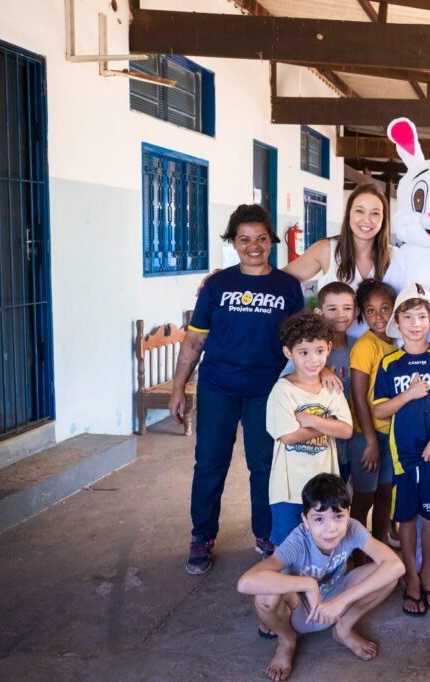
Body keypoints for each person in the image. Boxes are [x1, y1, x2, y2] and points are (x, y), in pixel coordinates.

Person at [170, 204, 305, 575]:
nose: (253, 246)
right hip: (218, 387)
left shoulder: (287, 287)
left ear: (271, 240)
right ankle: (202, 537)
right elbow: (194, 340)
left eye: (261, 238)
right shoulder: (217, 286)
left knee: (264, 465)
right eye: (244, 239)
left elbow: (300, 341)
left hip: (267, 390)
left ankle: (266, 534)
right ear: (233, 242)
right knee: (210, 462)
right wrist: (179, 387)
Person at [237, 474, 405, 681]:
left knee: (388, 576)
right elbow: (246, 582)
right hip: (299, 612)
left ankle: (343, 630)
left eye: (338, 516)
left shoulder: (353, 528)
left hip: (336, 603)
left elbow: (396, 565)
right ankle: (286, 641)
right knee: (265, 596)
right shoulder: (298, 540)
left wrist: (340, 601)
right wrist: (308, 585)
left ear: (348, 513)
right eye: (318, 519)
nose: (330, 529)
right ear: (305, 521)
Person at [371, 283, 430, 615]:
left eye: (422, 316)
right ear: (397, 322)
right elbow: (380, 410)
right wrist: (408, 395)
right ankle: (411, 577)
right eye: (408, 317)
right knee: (407, 517)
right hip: (404, 456)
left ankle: (426, 574)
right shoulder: (390, 364)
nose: (415, 323)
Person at [266, 312, 354, 546]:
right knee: (289, 547)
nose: (313, 359)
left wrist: (309, 420)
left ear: (329, 348)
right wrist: (328, 423)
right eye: (303, 352)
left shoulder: (331, 388)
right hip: (289, 491)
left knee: (325, 545)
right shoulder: (282, 390)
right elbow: (288, 436)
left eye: (319, 350)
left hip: (326, 490)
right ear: (289, 353)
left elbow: (346, 430)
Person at [347, 280, 398, 542]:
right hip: (367, 436)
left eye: (385, 309)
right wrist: (370, 441)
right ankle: (356, 554)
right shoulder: (366, 346)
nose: (379, 317)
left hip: (390, 434)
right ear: (362, 315)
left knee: (385, 495)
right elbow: (358, 396)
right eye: (371, 311)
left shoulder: (397, 342)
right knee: (364, 497)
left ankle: (380, 548)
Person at [283, 183, 393, 295]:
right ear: (349, 214)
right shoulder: (326, 250)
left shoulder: (395, 256)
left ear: (383, 219)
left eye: (375, 213)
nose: (366, 220)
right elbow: (279, 281)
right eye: (360, 211)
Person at [309, 282, 358, 481]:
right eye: (332, 309)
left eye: (347, 308)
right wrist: (322, 370)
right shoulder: (309, 349)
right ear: (318, 313)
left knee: (344, 489)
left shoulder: (359, 347)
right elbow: (286, 379)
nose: (341, 314)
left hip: (349, 439)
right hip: (318, 442)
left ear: (356, 312)